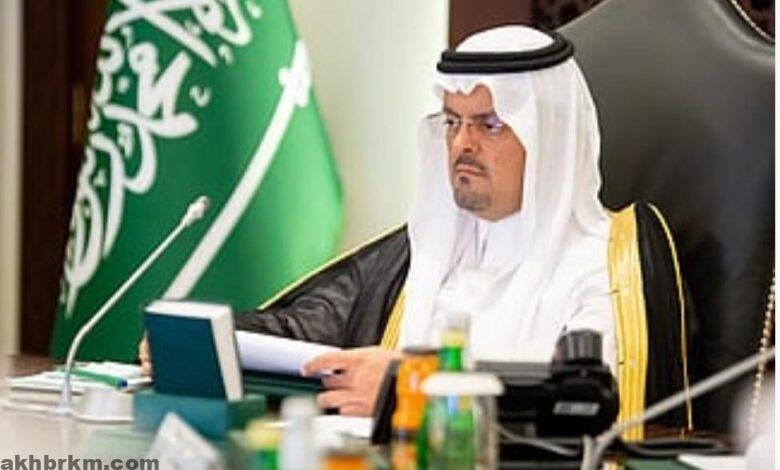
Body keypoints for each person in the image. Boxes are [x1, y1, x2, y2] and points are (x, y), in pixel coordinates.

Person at [140, 25, 616, 417]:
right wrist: (207, 342)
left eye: (489, 125)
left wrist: (406, 387)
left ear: (551, 137)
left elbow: (581, 401)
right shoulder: (424, 250)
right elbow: (311, 328)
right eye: (452, 122)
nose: (461, 145)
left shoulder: (606, 267)